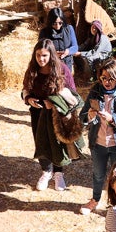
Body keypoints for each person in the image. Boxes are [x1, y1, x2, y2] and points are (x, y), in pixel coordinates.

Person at [79, 58, 116, 215]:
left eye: (110, 78)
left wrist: (112, 119)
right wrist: (89, 116)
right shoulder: (96, 90)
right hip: (98, 142)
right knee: (98, 174)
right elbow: (82, 115)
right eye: (103, 78)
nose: (106, 82)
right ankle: (95, 200)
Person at [21, 39, 78, 191]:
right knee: (41, 142)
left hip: (56, 115)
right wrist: (28, 99)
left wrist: (55, 103)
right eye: (38, 55)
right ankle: (46, 171)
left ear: (51, 55)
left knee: (57, 144)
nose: (41, 59)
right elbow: (25, 89)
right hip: (38, 114)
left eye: (45, 55)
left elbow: (73, 96)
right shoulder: (32, 70)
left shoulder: (62, 70)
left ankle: (59, 174)